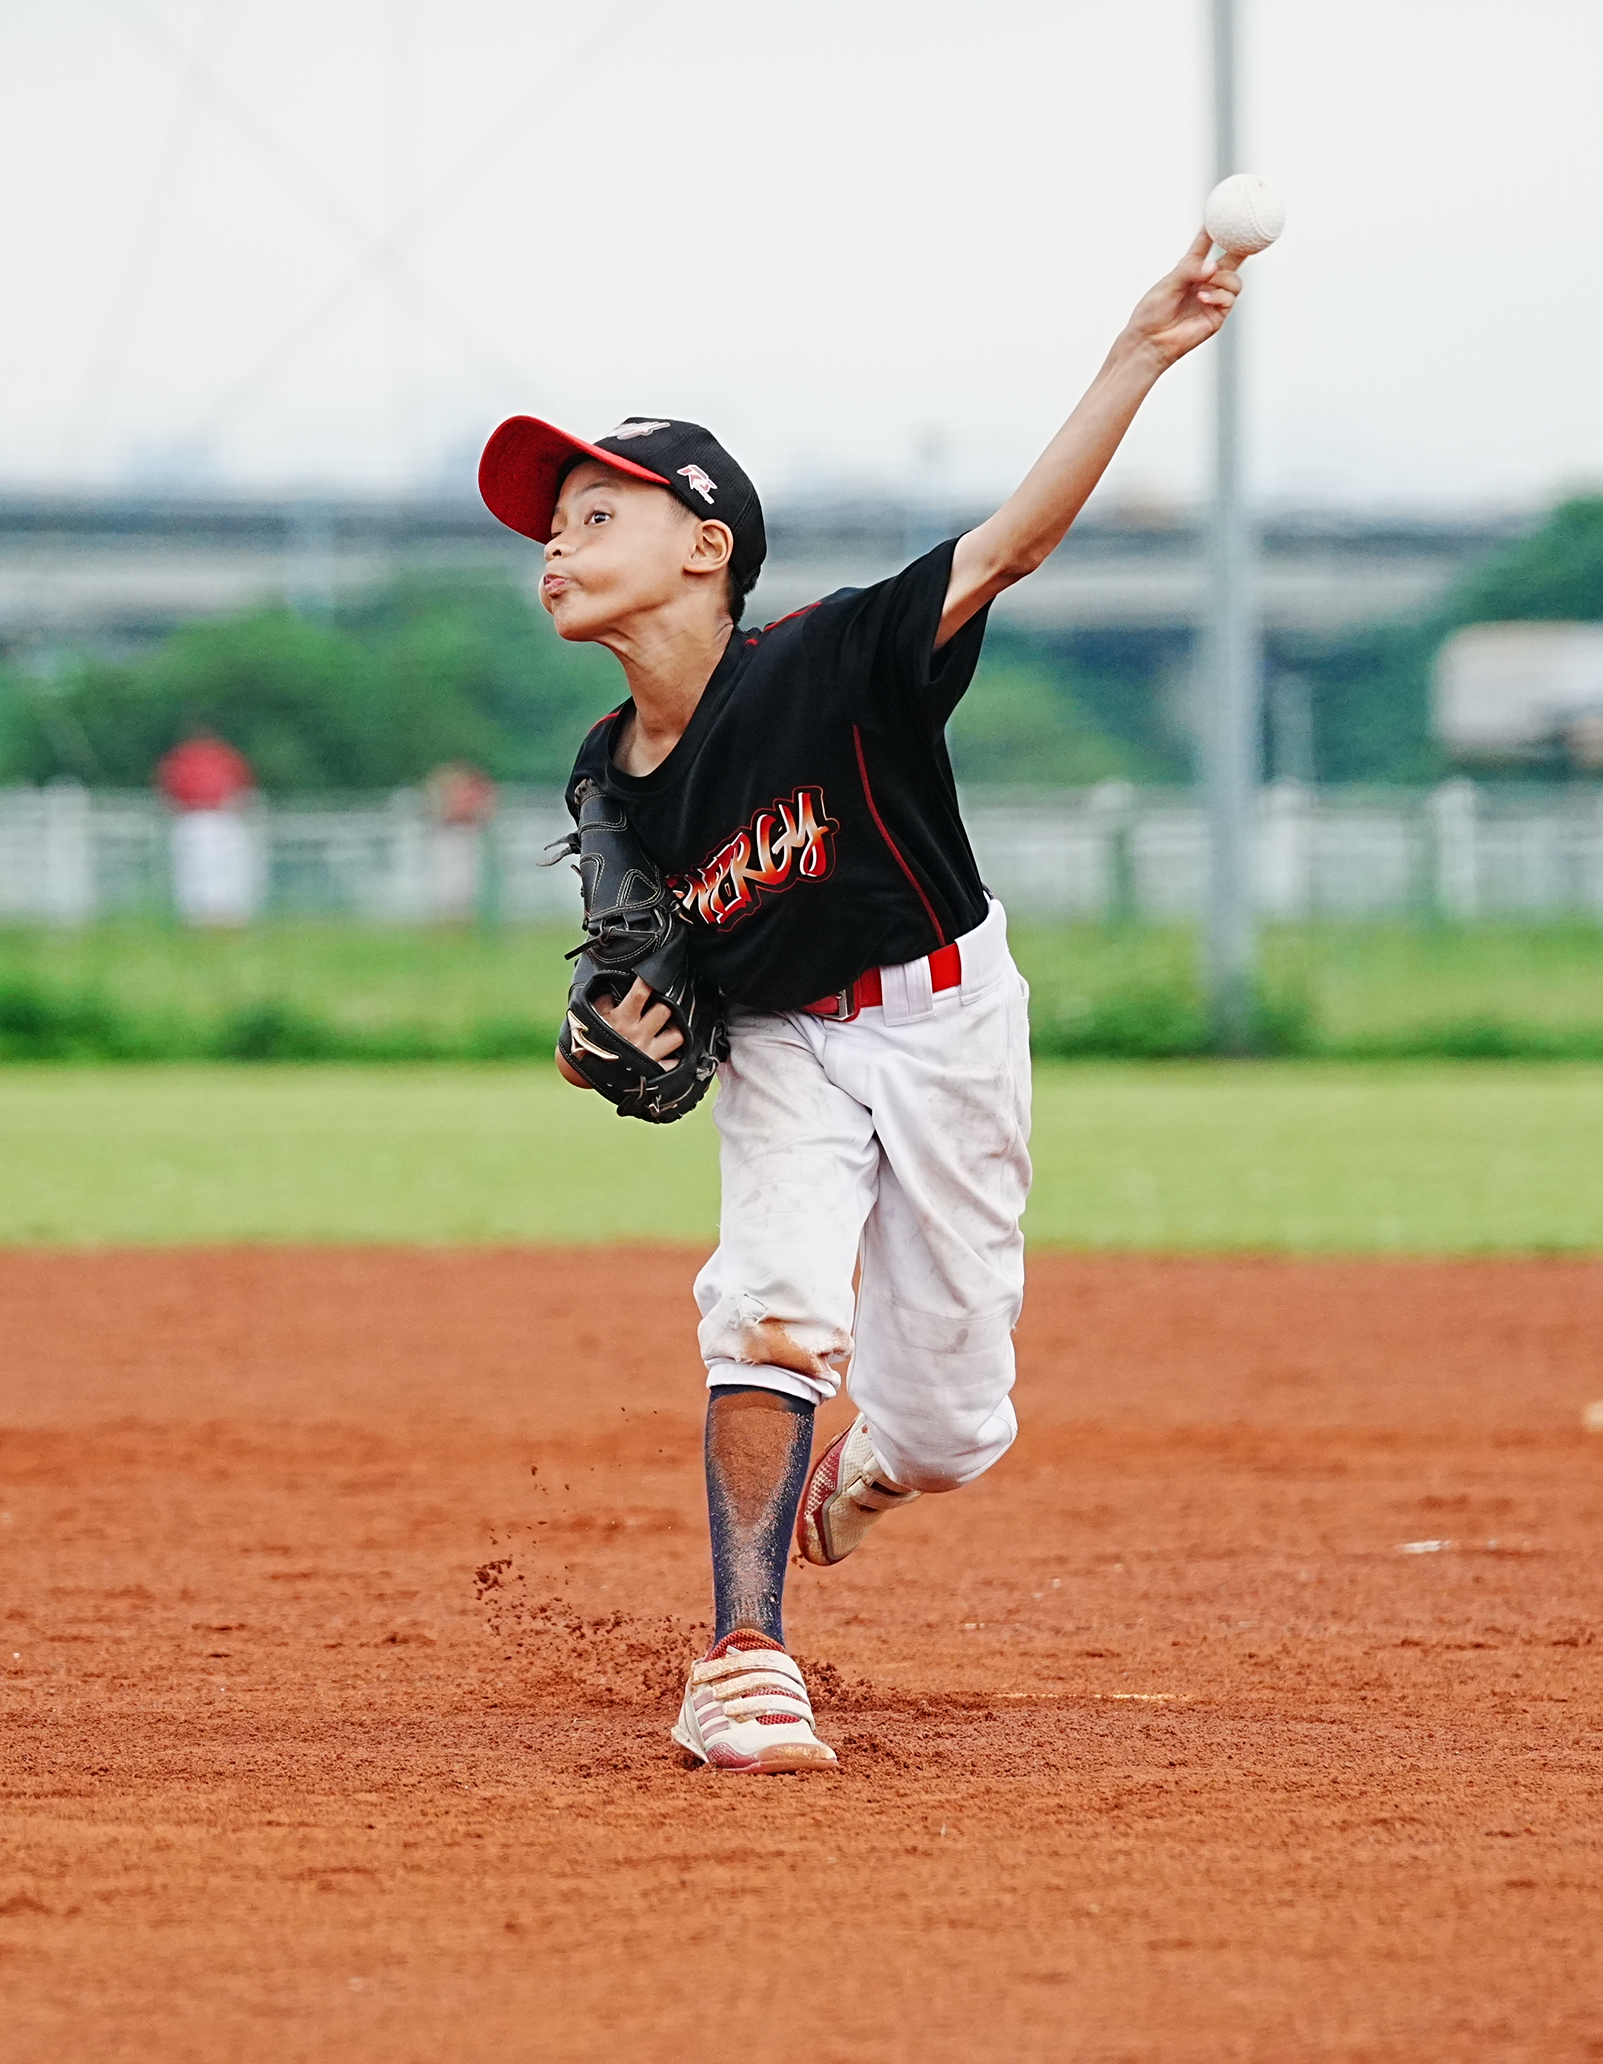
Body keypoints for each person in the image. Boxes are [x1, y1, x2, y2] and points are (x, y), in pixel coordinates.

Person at [477, 225, 1243, 1774]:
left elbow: (1008, 547)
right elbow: (627, 1001)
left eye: (596, 513)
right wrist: (588, 1046)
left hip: (949, 1019)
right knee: (770, 1304)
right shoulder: (608, 777)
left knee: (957, 1430)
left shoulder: (830, 660)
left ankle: (879, 1462)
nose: (556, 547)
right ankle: (742, 1660)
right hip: (787, 1050)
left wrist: (1142, 351)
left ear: (706, 545)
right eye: (550, 528)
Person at [157, 729, 262, 926]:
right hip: (196, 818)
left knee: (222, 871)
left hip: (221, 818)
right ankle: (204, 917)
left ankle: (225, 916)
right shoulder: (188, 758)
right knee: (198, 872)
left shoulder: (191, 758)